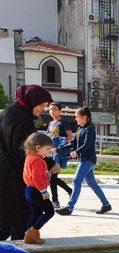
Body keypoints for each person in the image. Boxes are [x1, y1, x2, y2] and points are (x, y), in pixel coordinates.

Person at [0, 84, 53, 240]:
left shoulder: (12, 111)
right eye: (42, 105)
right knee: (21, 216)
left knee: (6, 220)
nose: (43, 109)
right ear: (32, 100)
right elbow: (25, 148)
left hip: (6, 172)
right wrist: (49, 163)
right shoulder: (22, 119)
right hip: (14, 175)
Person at [56, 107, 112, 216]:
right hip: (83, 159)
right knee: (92, 184)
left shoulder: (90, 128)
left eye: (77, 117)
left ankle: (69, 208)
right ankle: (106, 205)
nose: (76, 119)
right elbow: (73, 143)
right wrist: (59, 149)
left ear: (85, 117)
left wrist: (76, 152)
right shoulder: (80, 128)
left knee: (76, 181)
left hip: (88, 159)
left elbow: (87, 144)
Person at [21, 133, 56, 244]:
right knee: (50, 211)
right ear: (38, 148)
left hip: (29, 190)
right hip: (37, 190)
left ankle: (28, 235)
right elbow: (36, 177)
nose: (48, 152)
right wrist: (43, 191)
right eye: (47, 149)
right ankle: (32, 232)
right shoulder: (38, 160)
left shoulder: (29, 157)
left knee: (36, 213)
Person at [46, 102, 74, 209]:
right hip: (50, 153)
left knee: (53, 177)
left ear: (59, 110)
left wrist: (60, 147)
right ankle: (69, 191)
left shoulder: (63, 122)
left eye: (54, 109)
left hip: (58, 153)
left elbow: (70, 136)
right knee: (52, 177)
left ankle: (55, 201)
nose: (52, 111)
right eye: (50, 109)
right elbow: (49, 138)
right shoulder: (50, 124)